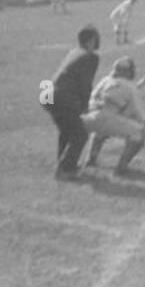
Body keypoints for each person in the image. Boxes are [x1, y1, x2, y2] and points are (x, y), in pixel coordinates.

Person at [41, 25, 100, 179]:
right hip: (62, 97)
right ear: (92, 40)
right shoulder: (91, 57)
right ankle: (66, 169)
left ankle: (64, 165)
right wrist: (85, 105)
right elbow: (85, 84)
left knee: (66, 131)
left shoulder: (74, 52)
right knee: (80, 135)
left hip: (47, 93)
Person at [81, 56, 145, 173]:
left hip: (89, 118)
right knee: (141, 132)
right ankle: (122, 166)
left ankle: (91, 159)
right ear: (126, 71)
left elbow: (91, 99)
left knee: (100, 130)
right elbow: (137, 112)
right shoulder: (130, 86)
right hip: (108, 118)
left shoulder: (105, 80)